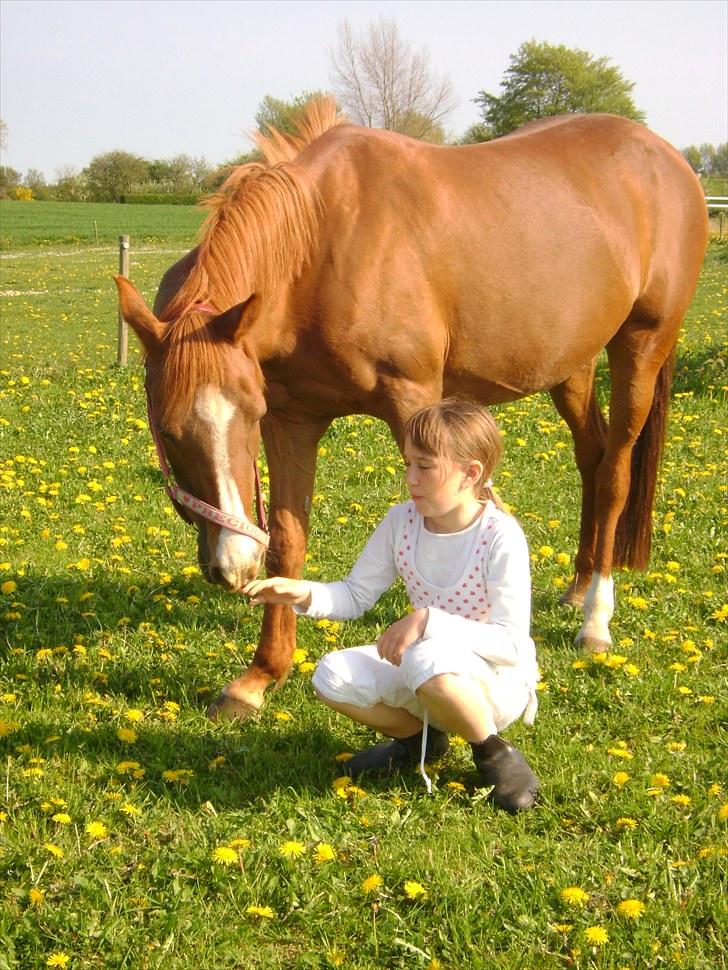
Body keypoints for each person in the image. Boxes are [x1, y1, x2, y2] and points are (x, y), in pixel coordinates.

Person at [243, 399, 540, 812]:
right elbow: (355, 594)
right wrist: (301, 592)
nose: (410, 479)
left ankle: (494, 754)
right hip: (427, 669)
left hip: (493, 683)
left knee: (427, 655)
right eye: (407, 465)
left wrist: (428, 620)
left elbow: (511, 644)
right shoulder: (402, 522)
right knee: (332, 676)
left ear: (471, 473)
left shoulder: (499, 536)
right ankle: (420, 742)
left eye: (425, 467)